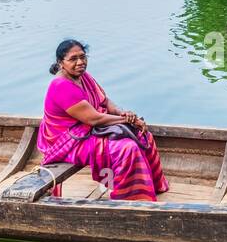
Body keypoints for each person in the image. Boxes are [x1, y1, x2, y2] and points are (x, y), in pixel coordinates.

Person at [37, 39, 169, 202]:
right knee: (127, 148)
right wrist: (125, 121)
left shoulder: (83, 76)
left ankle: (153, 187)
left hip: (87, 130)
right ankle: (132, 200)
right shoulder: (60, 86)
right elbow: (94, 118)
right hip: (69, 142)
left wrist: (123, 113)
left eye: (83, 57)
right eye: (73, 59)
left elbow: (105, 101)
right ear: (60, 63)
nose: (80, 62)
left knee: (143, 136)